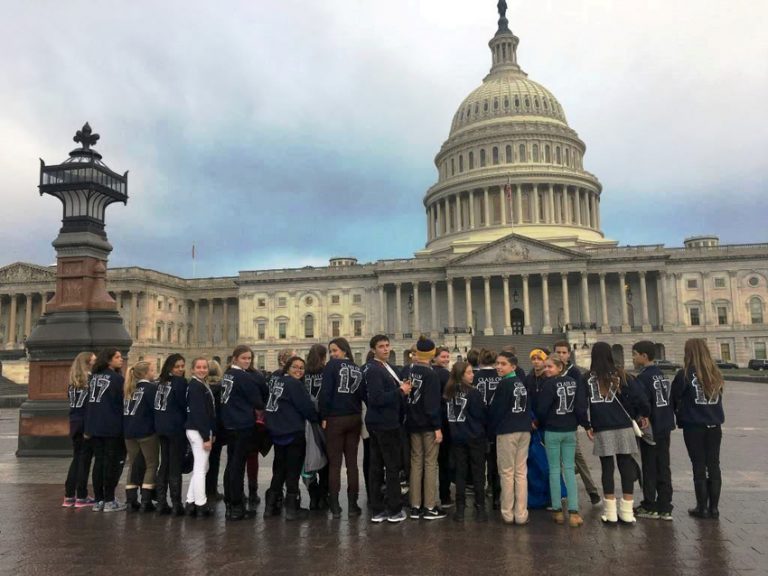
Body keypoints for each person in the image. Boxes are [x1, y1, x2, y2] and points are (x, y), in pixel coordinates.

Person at [584, 342, 650, 524]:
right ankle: (627, 511)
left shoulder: (587, 378)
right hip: (623, 426)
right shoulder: (622, 375)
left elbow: (581, 405)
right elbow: (640, 398)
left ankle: (610, 512)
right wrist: (643, 414)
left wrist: (586, 425)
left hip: (602, 427)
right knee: (625, 466)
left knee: (607, 469)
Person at [672, 338, 725, 520]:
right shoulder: (715, 373)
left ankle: (702, 507)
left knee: (699, 465)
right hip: (714, 425)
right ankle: (714, 508)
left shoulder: (684, 374)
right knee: (714, 464)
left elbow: (674, 397)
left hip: (694, 426)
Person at [535, 356, 589, 527]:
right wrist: (585, 424)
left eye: (550, 367)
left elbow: (542, 409)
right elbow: (581, 406)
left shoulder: (548, 384)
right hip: (570, 430)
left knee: (554, 470)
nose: (546, 370)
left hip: (553, 430)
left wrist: (539, 422)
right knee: (569, 469)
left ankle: (558, 510)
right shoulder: (574, 382)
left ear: (560, 367)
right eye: (546, 367)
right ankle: (574, 512)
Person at [365, 334, 412, 524]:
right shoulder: (375, 370)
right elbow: (376, 398)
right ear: (373, 350)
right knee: (390, 467)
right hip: (385, 423)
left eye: (387, 345)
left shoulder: (384, 368)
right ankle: (393, 509)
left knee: (376, 466)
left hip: (380, 422)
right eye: (381, 346)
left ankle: (377, 509)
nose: (385, 349)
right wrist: (401, 391)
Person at [265, 356, 318, 521]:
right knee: (293, 471)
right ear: (288, 367)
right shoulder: (295, 384)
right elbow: (306, 408)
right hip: (292, 432)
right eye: (295, 367)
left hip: (277, 432)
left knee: (279, 470)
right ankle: (292, 509)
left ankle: (270, 507)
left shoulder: (277, 382)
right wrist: (318, 418)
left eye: (302, 368)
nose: (299, 371)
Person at [401, 336, 446, 520]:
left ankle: (415, 505)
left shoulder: (408, 370)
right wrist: (437, 427)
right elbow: (432, 404)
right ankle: (429, 506)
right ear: (431, 354)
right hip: (428, 425)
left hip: (412, 423)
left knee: (416, 463)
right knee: (430, 464)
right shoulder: (431, 375)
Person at [319, 337, 364, 518]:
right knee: (352, 464)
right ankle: (353, 505)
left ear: (344, 350)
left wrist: (323, 416)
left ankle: (335, 505)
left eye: (335, 350)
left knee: (335, 464)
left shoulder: (331, 366)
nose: (332, 354)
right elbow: (361, 395)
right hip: (354, 417)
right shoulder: (357, 368)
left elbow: (326, 393)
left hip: (336, 418)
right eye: (330, 351)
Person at [553, 340, 601, 506]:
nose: (560, 355)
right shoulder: (550, 371)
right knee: (556, 460)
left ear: (569, 354)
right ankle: (561, 489)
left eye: (563, 352)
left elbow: (581, 401)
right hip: (553, 424)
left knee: (577, 457)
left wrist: (585, 424)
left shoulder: (575, 374)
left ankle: (592, 490)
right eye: (557, 352)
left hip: (570, 423)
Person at [221, 345, 267, 521]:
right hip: (242, 424)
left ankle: (230, 503)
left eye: (249, 358)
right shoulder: (243, 376)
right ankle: (237, 507)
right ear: (235, 359)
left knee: (231, 464)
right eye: (244, 358)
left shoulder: (228, 375)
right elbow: (258, 401)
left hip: (230, 423)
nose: (247, 361)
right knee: (238, 466)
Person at [632, 340, 675, 521]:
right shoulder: (661, 375)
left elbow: (642, 402)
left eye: (635, 354)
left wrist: (642, 415)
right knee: (664, 465)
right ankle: (665, 505)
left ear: (644, 356)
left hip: (651, 426)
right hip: (665, 425)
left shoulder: (643, 378)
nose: (633, 358)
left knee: (649, 465)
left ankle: (650, 504)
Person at [490, 350, 532, 525]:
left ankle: (507, 513)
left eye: (503, 364)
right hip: (524, 429)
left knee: (507, 473)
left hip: (508, 431)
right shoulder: (520, 383)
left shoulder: (504, 384)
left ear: (513, 366)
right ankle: (521, 513)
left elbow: (496, 411)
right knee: (521, 473)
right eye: (497, 363)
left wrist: (491, 430)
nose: (498, 367)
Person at [444, 361, 488, 522]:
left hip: (457, 436)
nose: (473, 375)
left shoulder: (448, 391)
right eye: (469, 373)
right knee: (477, 473)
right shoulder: (473, 393)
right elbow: (480, 415)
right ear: (461, 375)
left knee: (460, 473)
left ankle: (460, 509)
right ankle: (480, 507)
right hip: (474, 436)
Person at [85, 348, 126, 512]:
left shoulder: (93, 378)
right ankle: (109, 500)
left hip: (95, 425)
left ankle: (99, 500)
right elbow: (121, 403)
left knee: (99, 462)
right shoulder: (116, 379)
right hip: (111, 425)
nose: (121, 359)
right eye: (117, 357)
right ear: (109, 360)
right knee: (111, 463)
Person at [154, 354, 188, 516]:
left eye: (182, 366)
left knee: (164, 464)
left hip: (161, 427)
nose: (181, 369)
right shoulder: (180, 382)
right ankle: (176, 504)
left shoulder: (160, 383)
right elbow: (183, 405)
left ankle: (161, 502)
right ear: (170, 367)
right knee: (175, 465)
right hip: (175, 428)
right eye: (177, 367)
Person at [123, 361, 159, 513]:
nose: (154, 372)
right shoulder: (151, 389)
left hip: (129, 432)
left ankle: (131, 500)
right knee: (151, 464)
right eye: (152, 370)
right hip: (146, 431)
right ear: (146, 373)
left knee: (133, 464)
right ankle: (146, 500)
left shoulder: (128, 389)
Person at [185, 357, 217, 517]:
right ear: (192, 370)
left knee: (202, 467)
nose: (202, 370)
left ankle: (191, 501)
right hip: (198, 430)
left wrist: (212, 432)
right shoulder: (196, 386)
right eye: (199, 367)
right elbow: (199, 414)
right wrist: (206, 437)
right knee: (200, 468)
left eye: (205, 367)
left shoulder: (199, 384)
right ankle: (201, 503)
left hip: (198, 429)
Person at [63, 351, 96, 508]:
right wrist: (89, 428)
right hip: (85, 423)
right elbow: (90, 408)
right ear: (88, 363)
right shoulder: (90, 382)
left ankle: (69, 495)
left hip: (74, 422)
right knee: (84, 460)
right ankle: (81, 496)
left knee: (76, 459)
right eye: (94, 361)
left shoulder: (73, 383)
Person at [473, 348, 501, 509]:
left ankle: (479, 498)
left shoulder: (475, 377)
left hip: (480, 423)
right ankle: (496, 494)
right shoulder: (500, 376)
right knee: (496, 461)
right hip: (496, 423)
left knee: (479, 462)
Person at [305, 343, 329, 512]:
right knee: (325, 458)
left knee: (309, 458)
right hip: (323, 419)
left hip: (306, 419)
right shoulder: (326, 371)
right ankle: (323, 496)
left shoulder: (303, 372)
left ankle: (313, 496)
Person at [432, 346, 454, 508]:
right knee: (445, 460)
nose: (446, 359)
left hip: (431, 420)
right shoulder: (445, 375)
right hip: (444, 419)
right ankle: (445, 496)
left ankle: (429, 497)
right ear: (435, 357)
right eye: (443, 357)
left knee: (431, 461)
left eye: (447, 357)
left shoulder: (430, 372)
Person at [205, 359, 225, 502]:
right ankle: (211, 489)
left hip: (202, 428)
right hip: (217, 429)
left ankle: (203, 489)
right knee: (214, 461)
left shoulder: (202, 387)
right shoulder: (221, 388)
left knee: (202, 461)